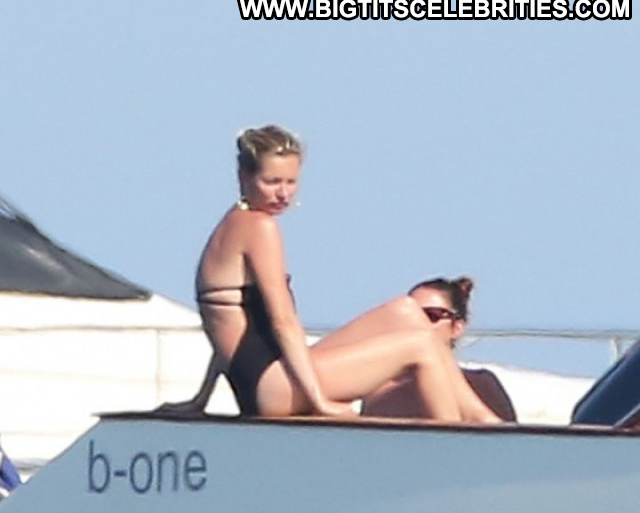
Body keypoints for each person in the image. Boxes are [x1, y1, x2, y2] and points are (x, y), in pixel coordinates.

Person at [161, 125, 501, 423]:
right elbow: (282, 322)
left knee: (405, 312)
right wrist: (319, 401)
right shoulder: (259, 227)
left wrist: (200, 399)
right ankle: (456, 441)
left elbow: (229, 330)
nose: (283, 193)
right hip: (273, 388)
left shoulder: (233, 224)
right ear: (244, 177)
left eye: (291, 182)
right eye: (272, 182)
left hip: (264, 380)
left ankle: (483, 420)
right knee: (421, 345)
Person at [362, 277, 516, 421]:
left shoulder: (480, 384)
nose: (418, 322)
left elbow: (504, 436)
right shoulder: (379, 389)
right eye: (410, 315)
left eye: (432, 315)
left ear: (456, 327)